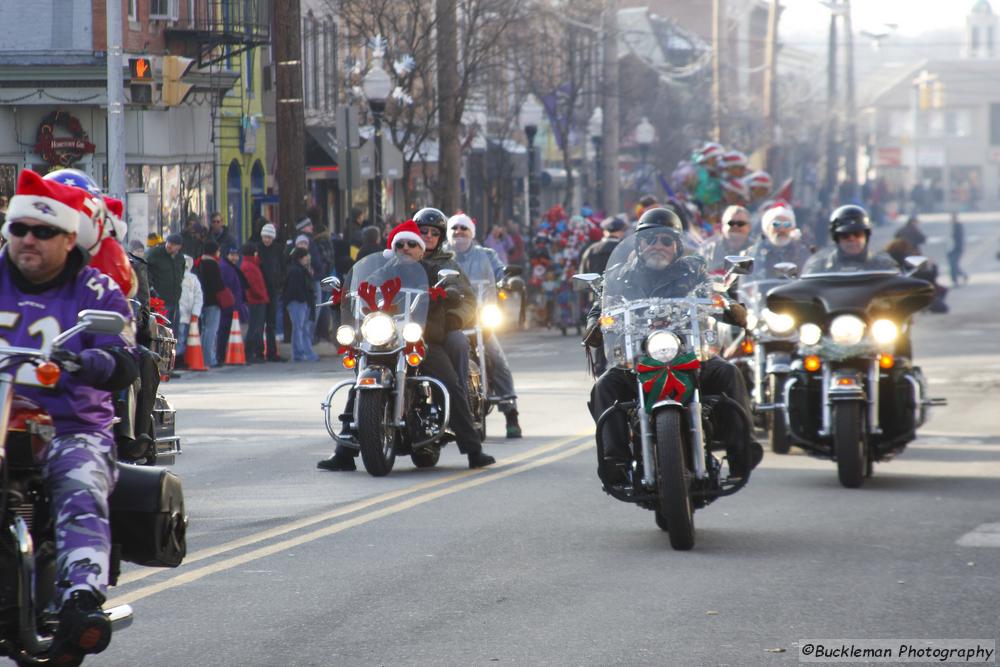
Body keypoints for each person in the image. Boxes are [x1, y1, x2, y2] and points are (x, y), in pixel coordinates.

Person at [0, 170, 138, 664]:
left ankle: (81, 597)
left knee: (79, 478)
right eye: (19, 229)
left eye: (42, 232)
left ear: (67, 237)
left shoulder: (95, 289)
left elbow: (122, 354)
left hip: (69, 425)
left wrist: (89, 361)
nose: (28, 240)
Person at [584, 207, 761, 482]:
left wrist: (729, 306)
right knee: (604, 386)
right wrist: (595, 323)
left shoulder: (694, 270)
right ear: (639, 244)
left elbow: (714, 293)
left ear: (677, 245)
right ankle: (614, 459)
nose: (658, 246)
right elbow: (600, 307)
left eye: (666, 240)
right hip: (637, 359)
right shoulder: (619, 276)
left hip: (691, 355)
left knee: (729, 372)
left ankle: (742, 452)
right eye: (650, 239)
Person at [317, 219, 495, 471]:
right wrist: (344, 297)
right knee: (359, 382)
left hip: (422, 339)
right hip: (385, 338)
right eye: (400, 244)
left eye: (413, 244)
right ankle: (344, 452)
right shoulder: (381, 272)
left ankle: (473, 449)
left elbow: (455, 291)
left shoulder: (433, 271)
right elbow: (360, 290)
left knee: (449, 382)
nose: (407, 248)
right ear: (393, 247)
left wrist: (450, 295)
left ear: (421, 249)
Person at [446, 212, 523, 438]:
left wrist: (506, 282)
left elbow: (500, 272)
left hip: (481, 319)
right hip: (453, 321)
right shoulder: (443, 256)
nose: (459, 233)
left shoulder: (486, 255)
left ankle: (511, 413)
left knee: (497, 359)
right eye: (455, 229)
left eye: (464, 229)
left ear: (472, 233)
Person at [803, 205, 899, 275]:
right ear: (836, 238)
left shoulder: (884, 266)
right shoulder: (819, 268)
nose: (852, 239)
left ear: (866, 236)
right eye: (845, 235)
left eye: (858, 234)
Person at [749, 206, 813, 278]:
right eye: (776, 224)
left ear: (792, 228)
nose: (782, 229)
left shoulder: (802, 252)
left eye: (787, 224)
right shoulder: (753, 253)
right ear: (766, 229)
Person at [283, 246, 319, 362]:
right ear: (301, 258)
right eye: (305, 257)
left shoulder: (298, 269)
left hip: (300, 302)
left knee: (302, 328)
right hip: (298, 302)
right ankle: (299, 353)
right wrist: (304, 299)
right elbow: (295, 288)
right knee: (299, 328)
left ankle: (305, 353)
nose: (307, 259)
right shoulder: (296, 270)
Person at [144, 232, 185, 332]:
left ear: (179, 247)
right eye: (169, 243)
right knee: (161, 329)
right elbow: (146, 271)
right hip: (159, 300)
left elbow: (181, 274)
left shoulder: (180, 258)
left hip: (174, 299)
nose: (170, 246)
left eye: (173, 244)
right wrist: (152, 289)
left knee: (172, 330)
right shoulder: (155, 254)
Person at [257, 223, 285, 361]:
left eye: (269, 237)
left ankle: (272, 353)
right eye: (264, 237)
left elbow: (282, 267)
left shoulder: (278, 250)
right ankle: (259, 352)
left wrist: (279, 283)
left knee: (271, 323)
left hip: (273, 290)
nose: (266, 240)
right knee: (260, 322)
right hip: (261, 290)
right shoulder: (258, 249)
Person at [195, 241, 225, 368]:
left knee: (205, 330)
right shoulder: (212, 264)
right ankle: (209, 358)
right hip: (213, 301)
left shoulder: (199, 262)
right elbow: (218, 285)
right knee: (211, 330)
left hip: (203, 301)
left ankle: (203, 357)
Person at [699, 204, 754, 273]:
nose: (735, 226)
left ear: (749, 227)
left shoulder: (756, 249)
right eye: (731, 223)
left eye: (740, 223)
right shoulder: (709, 249)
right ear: (722, 225)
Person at [217, 246, 248, 363]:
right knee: (224, 331)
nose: (235, 258)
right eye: (232, 255)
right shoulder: (226, 268)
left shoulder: (230, 267)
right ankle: (221, 355)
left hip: (233, 305)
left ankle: (224, 355)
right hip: (228, 306)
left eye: (236, 255)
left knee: (227, 331)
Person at [240, 242, 270, 363]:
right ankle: (250, 353)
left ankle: (254, 353)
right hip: (256, 301)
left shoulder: (250, 264)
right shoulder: (249, 266)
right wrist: (262, 295)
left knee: (256, 328)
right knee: (255, 328)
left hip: (256, 300)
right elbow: (253, 285)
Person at [176, 254, 203, 366]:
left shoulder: (192, 279)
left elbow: (198, 296)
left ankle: (182, 358)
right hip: (180, 314)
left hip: (189, 315)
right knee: (180, 337)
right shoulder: (177, 277)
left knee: (187, 338)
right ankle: (178, 358)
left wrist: (195, 312)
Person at [947, 212, 968, 287]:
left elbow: (958, 239)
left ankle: (955, 280)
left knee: (953, 265)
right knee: (953, 265)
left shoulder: (958, 226)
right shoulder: (953, 226)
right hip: (952, 249)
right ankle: (962, 275)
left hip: (956, 249)